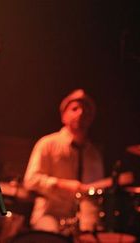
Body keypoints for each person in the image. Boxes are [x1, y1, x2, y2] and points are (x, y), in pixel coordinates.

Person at [23, 89, 105, 236]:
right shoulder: (47, 144)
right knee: (52, 235)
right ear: (63, 115)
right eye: (74, 109)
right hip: (50, 215)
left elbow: (94, 195)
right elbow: (30, 180)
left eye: (86, 111)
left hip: (82, 220)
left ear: (91, 119)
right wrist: (61, 184)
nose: (80, 113)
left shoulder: (95, 155)